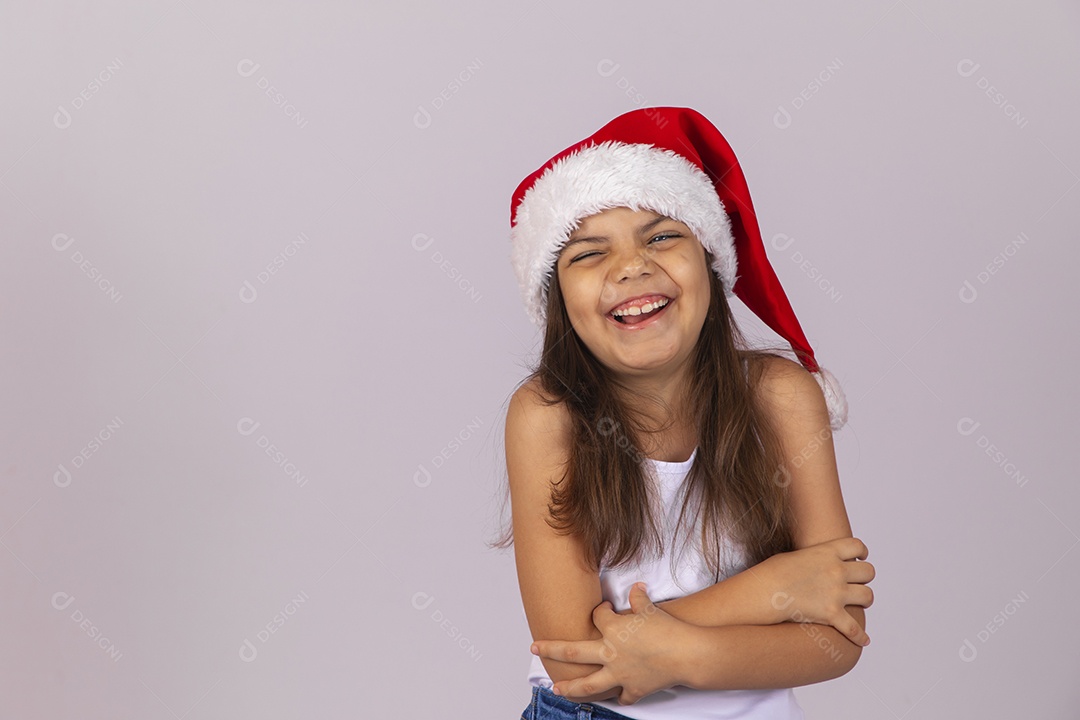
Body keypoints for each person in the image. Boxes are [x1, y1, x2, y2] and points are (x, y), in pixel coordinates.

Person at [492, 106, 875, 720]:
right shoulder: (547, 416)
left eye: (662, 237)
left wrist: (678, 654)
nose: (631, 266)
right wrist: (774, 589)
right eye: (588, 254)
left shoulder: (779, 397)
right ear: (558, 299)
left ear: (710, 262)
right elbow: (578, 667)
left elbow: (838, 636)